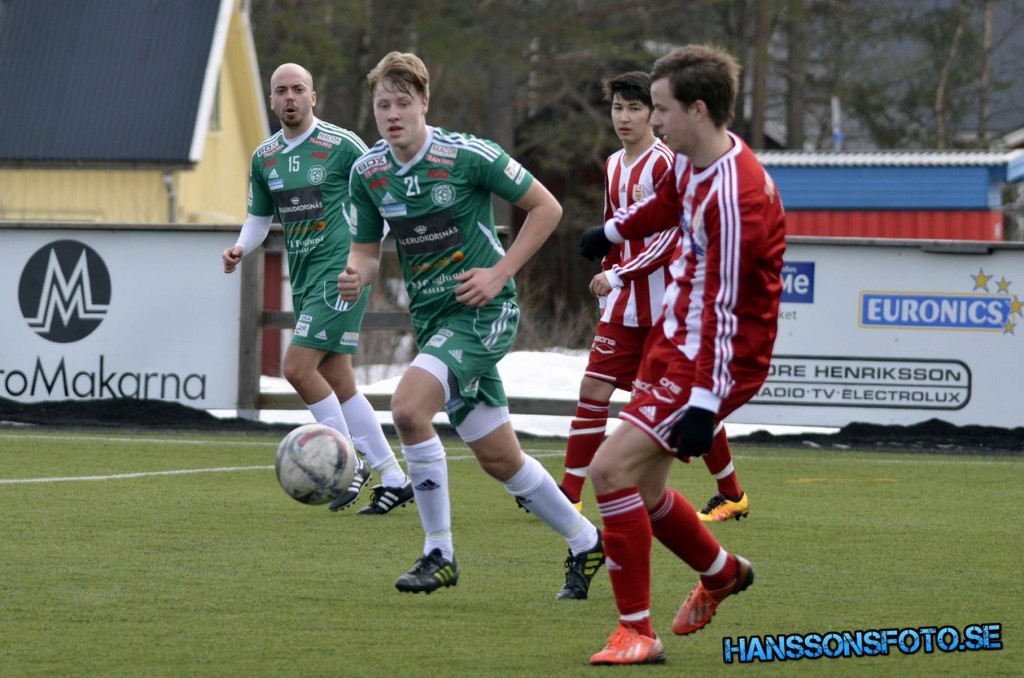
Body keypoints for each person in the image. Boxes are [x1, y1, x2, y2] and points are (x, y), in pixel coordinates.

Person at [339, 51, 604, 598]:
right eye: (383, 105)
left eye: (402, 103)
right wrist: (354, 275)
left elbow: (547, 208)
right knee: (501, 458)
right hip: (435, 322)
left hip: (486, 311)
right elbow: (366, 253)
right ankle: (586, 541)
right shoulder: (368, 172)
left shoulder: (467, 155)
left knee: (408, 408)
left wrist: (499, 272)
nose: (392, 114)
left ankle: (439, 552)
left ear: (424, 103)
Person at [578, 44, 786, 665]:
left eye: (662, 109)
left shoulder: (736, 196)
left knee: (609, 471)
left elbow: (725, 309)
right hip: (677, 341)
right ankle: (721, 573)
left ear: (697, 109)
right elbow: (666, 201)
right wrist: (613, 231)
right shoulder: (697, 159)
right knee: (641, 490)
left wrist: (704, 402)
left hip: (716, 356)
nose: (654, 120)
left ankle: (636, 633)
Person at [222, 63, 412, 515]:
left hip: (340, 274)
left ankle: (346, 462)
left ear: (313, 97)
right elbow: (259, 217)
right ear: (272, 100)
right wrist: (241, 247)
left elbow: (383, 200)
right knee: (339, 381)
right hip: (305, 277)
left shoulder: (342, 145)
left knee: (297, 367)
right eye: (281, 91)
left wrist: (362, 259)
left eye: (298, 89)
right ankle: (395, 477)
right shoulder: (264, 156)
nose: (289, 97)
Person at [555, 71, 676, 513]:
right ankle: (569, 493)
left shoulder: (664, 163)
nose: (623, 117)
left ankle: (731, 490)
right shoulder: (611, 164)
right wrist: (608, 274)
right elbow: (613, 230)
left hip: (664, 307)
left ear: (653, 114)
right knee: (593, 387)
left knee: (658, 404)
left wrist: (620, 275)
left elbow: (670, 235)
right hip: (623, 304)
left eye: (634, 108)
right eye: (617, 108)